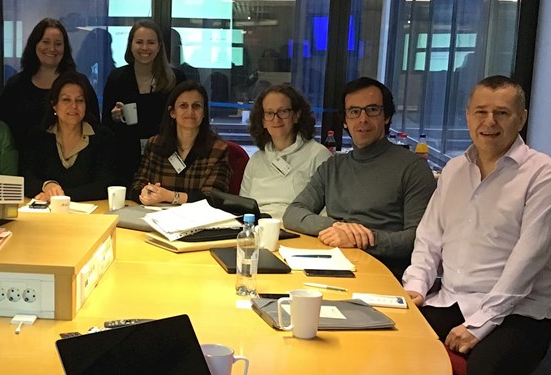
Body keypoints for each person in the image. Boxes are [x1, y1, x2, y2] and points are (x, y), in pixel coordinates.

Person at [402, 75, 551, 375]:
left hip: (521, 312)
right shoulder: (455, 169)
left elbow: (527, 260)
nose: (489, 122)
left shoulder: (546, 174)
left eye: (502, 113)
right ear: (468, 115)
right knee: (395, 346)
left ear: (521, 119)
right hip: (455, 297)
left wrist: (480, 325)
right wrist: (416, 289)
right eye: (480, 111)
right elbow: (428, 239)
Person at [283, 77, 436, 276]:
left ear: (386, 116)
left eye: (372, 110)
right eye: (354, 112)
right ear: (345, 121)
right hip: (331, 264)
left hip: (383, 273)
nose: (362, 119)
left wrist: (361, 238)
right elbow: (293, 213)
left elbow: (418, 239)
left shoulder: (413, 168)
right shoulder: (333, 166)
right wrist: (338, 228)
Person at [102, 20, 185, 186]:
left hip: (165, 158)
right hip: (125, 160)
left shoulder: (176, 78)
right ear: (130, 45)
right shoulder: (117, 78)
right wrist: (116, 118)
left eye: (151, 42)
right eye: (139, 42)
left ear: (159, 46)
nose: (144, 48)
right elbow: (105, 126)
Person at [130, 81, 230, 205]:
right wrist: (145, 191)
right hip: (156, 217)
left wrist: (170, 196)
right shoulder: (155, 144)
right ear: (172, 112)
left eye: (196, 106)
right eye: (183, 106)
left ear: (204, 113)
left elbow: (215, 198)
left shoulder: (218, 149)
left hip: (197, 221)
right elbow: (136, 186)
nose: (190, 112)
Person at [240, 84, 331, 219]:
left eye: (283, 111)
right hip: (258, 230)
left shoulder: (318, 155)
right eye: (270, 113)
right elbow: (243, 206)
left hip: (298, 231)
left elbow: (328, 208)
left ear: (296, 115)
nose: (276, 119)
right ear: (263, 121)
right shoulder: (256, 159)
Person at [23, 71, 113, 202]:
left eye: (79, 100)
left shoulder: (103, 137)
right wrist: (47, 185)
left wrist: (59, 197)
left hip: (92, 215)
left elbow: (104, 185)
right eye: (66, 100)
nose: (74, 106)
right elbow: (26, 178)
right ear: (54, 104)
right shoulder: (38, 136)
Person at [0, 18, 83, 151]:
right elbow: (4, 130)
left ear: (65, 48)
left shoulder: (79, 85)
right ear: (34, 44)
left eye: (58, 43)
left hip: (70, 164)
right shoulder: (15, 86)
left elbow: (92, 126)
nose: (52, 48)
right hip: (23, 163)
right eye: (45, 42)